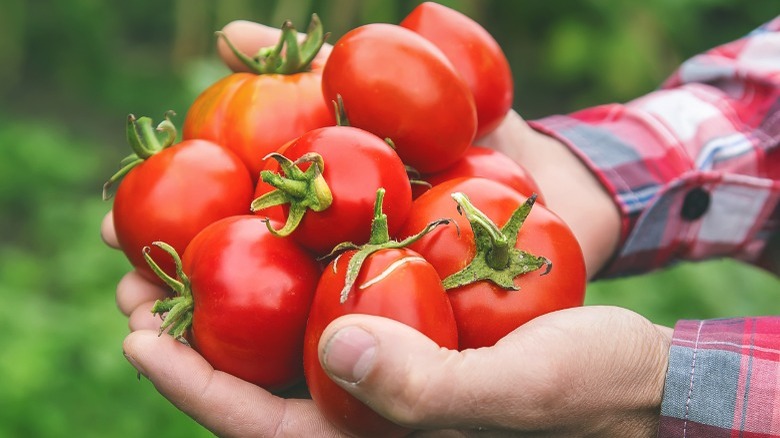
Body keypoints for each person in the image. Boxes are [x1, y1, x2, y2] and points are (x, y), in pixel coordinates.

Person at [102, 14, 780, 437]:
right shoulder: (456, 199)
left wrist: (670, 383)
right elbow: (759, 108)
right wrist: (590, 175)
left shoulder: (412, 210)